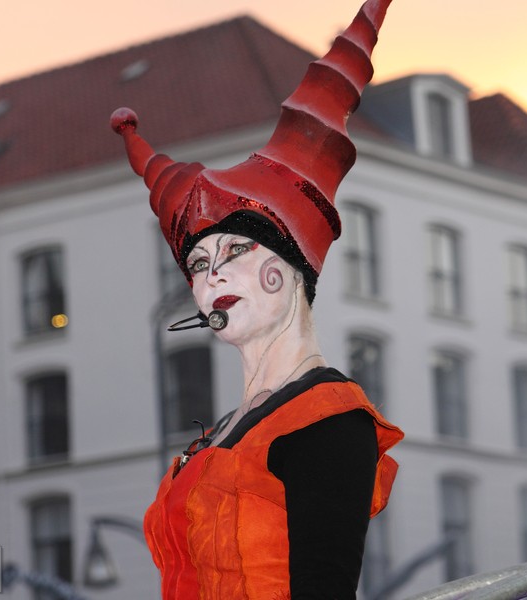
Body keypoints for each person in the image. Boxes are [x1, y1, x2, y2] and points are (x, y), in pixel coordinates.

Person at [110, 0, 402, 597]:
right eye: (196, 263)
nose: (212, 276)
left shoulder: (326, 419)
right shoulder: (223, 430)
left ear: (292, 266)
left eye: (236, 251)